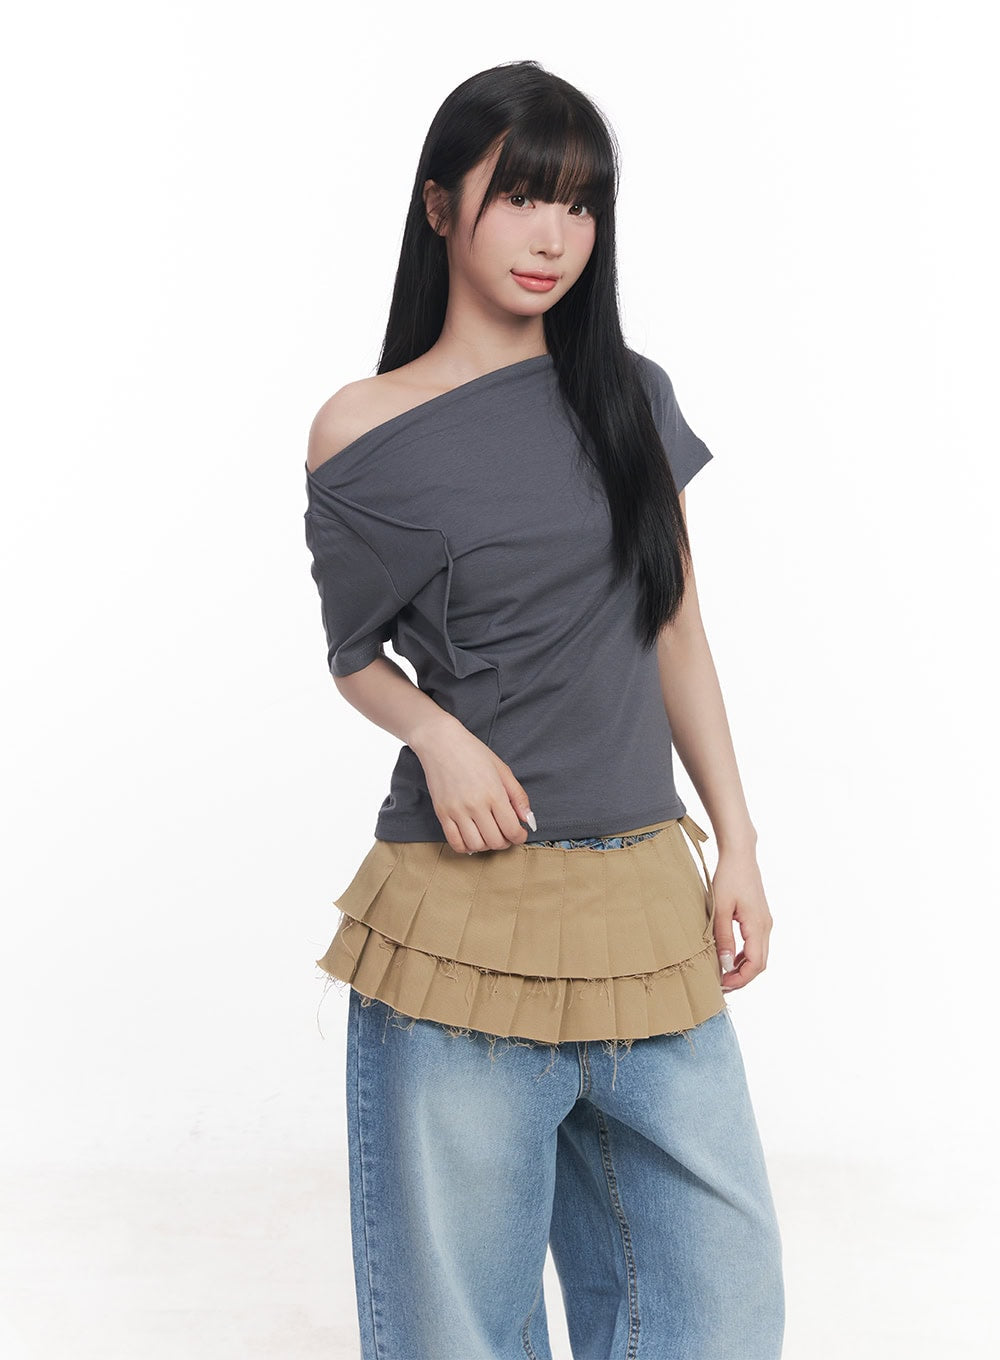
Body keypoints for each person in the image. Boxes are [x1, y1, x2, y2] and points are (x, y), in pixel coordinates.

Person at [302, 59, 785, 1360]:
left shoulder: (628, 393)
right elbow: (353, 655)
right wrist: (435, 732)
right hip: (460, 916)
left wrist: (736, 841)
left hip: (645, 908)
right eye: (520, 195)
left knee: (720, 1314)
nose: (553, 234)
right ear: (440, 206)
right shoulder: (362, 428)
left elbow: (676, 627)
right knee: (459, 1331)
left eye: (578, 204)